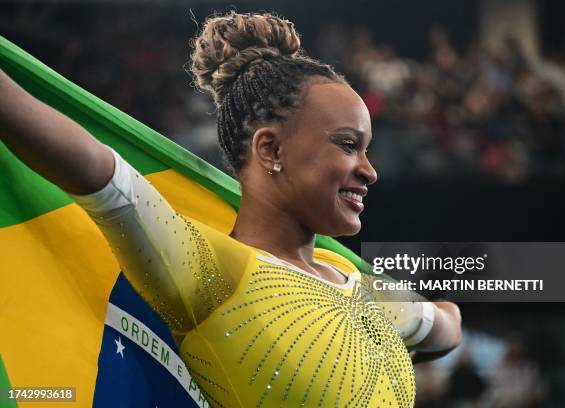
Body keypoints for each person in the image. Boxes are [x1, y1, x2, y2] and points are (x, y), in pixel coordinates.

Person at [0, 11, 461, 407]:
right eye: (347, 145)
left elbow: (447, 326)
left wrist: (429, 322)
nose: (370, 171)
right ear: (269, 148)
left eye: (367, 150)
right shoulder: (208, 271)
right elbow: (96, 171)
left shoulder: (353, 278)